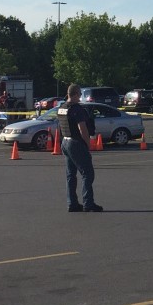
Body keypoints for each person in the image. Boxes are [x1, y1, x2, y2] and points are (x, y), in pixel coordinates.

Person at [57, 83, 103, 212]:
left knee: (70, 175)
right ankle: (88, 203)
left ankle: (72, 203)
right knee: (87, 173)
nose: (80, 97)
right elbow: (82, 128)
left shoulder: (62, 108)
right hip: (76, 143)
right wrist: (88, 143)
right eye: (80, 94)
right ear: (76, 94)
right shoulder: (77, 109)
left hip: (65, 142)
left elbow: (61, 126)